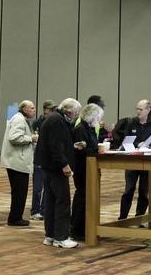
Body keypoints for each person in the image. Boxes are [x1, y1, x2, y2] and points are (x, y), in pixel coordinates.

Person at [34, 97, 81, 249]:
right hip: (56, 168)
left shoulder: (55, 118)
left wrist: (71, 145)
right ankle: (61, 237)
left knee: (51, 201)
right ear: (69, 110)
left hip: (49, 167)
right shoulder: (58, 121)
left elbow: (58, 143)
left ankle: (50, 235)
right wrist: (65, 165)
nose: (76, 115)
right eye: (76, 112)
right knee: (62, 201)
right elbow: (55, 146)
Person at [0, 100, 37, 227]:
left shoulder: (19, 119)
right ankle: (15, 218)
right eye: (32, 108)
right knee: (19, 191)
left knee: (19, 191)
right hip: (17, 161)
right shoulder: (19, 119)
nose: (34, 110)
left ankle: (16, 216)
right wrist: (31, 138)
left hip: (16, 160)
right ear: (24, 109)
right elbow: (14, 137)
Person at [118, 99, 151, 221]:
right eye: (137, 109)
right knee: (128, 189)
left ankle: (139, 218)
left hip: (147, 161)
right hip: (132, 160)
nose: (138, 111)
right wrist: (138, 143)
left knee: (144, 192)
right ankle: (122, 217)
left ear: (148, 110)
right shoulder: (131, 123)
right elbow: (126, 138)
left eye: (140, 109)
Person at [71, 103, 103, 240]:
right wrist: (96, 150)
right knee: (82, 197)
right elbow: (82, 151)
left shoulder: (88, 128)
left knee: (87, 198)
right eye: (97, 117)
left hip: (89, 168)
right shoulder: (80, 129)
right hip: (82, 168)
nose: (99, 120)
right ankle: (77, 230)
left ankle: (86, 228)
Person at [30, 99, 56, 221]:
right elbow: (32, 137)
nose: (53, 111)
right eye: (51, 109)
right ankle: (35, 210)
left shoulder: (54, 121)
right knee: (37, 187)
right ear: (45, 110)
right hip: (39, 157)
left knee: (48, 187)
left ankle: (45, 210)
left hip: (49, 158)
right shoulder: (37, 122)